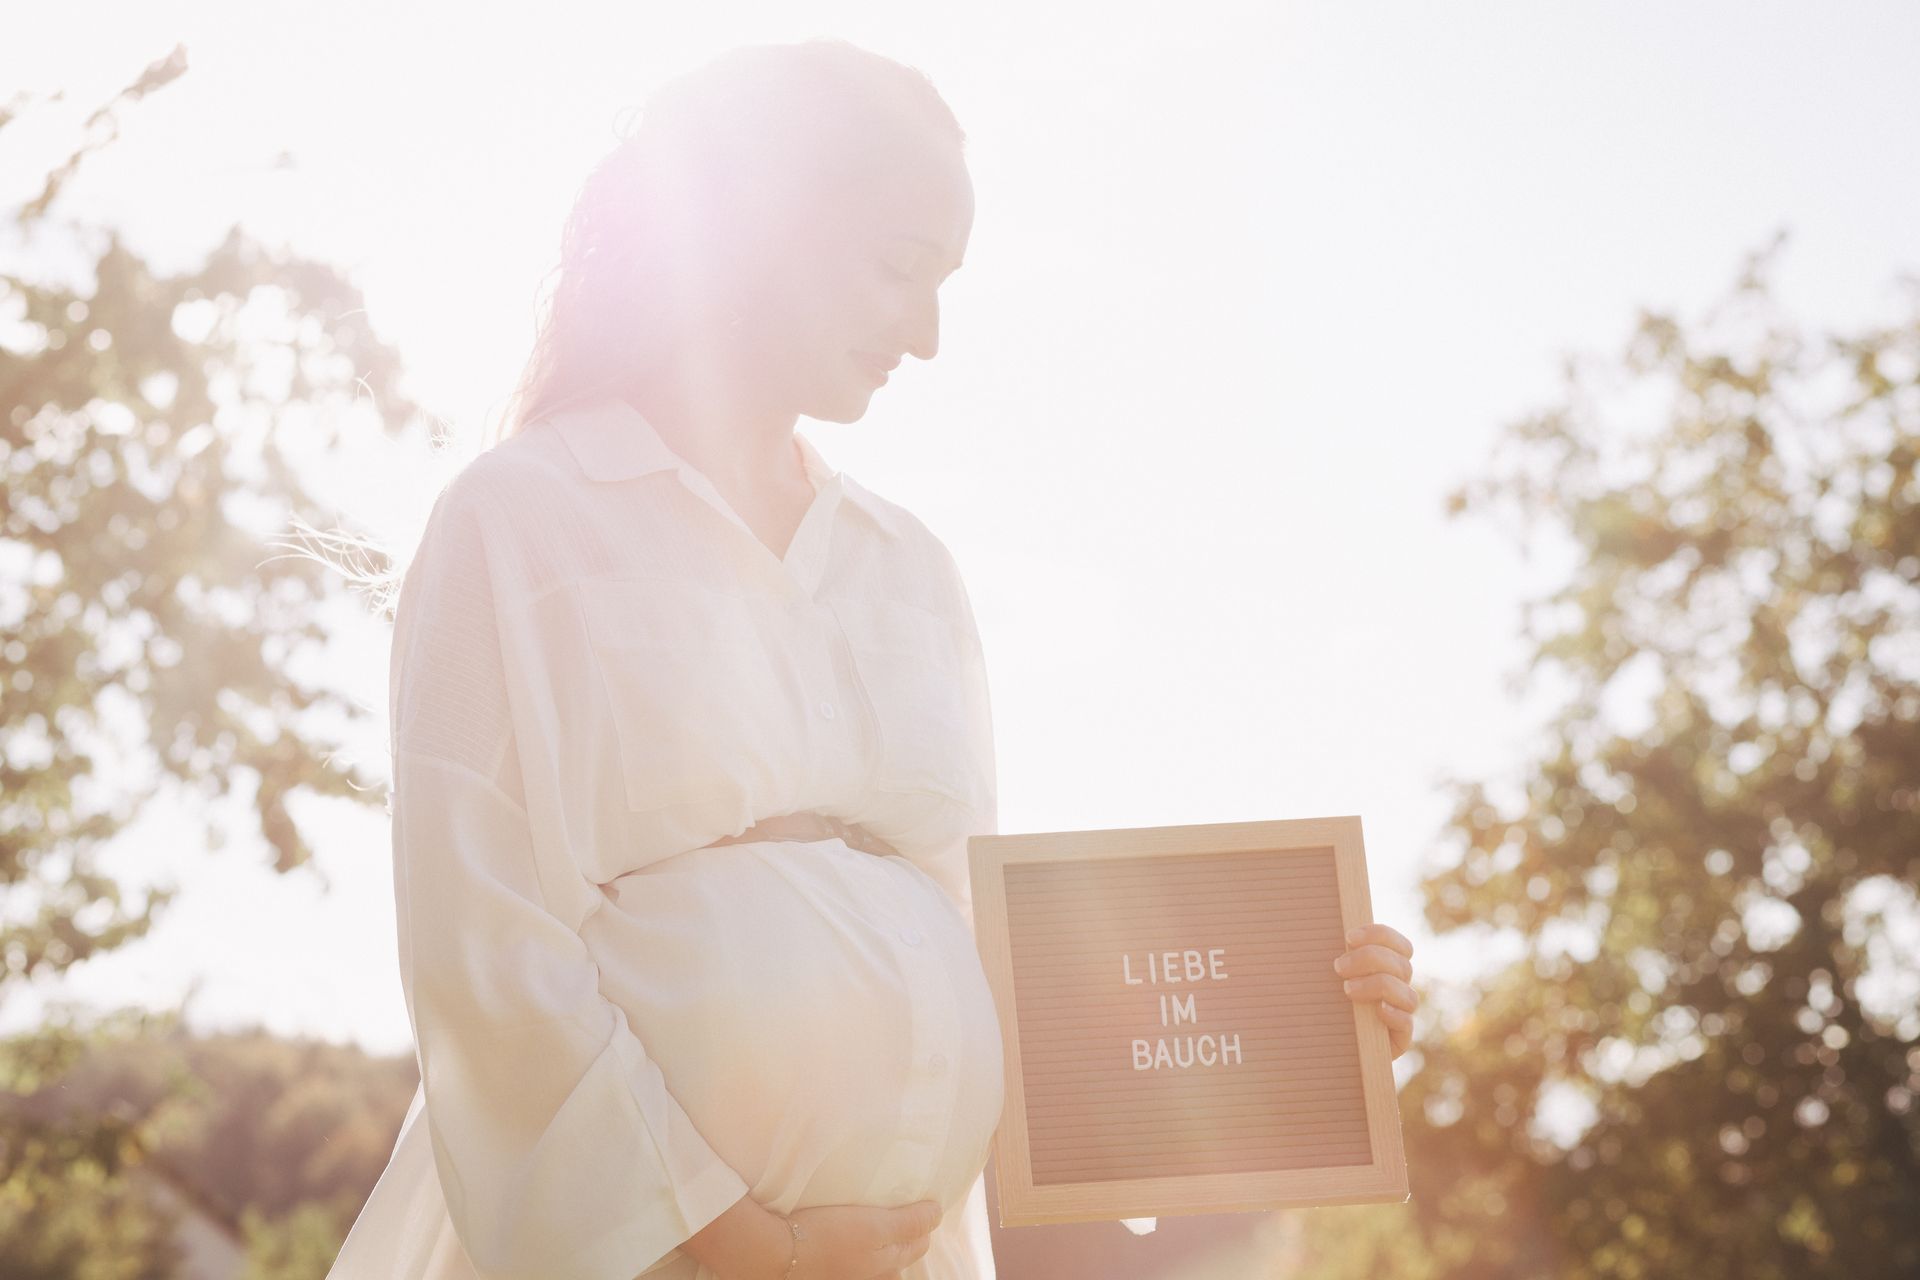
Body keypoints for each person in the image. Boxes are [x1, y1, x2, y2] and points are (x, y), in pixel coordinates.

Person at [325, 38, 1419, 1280]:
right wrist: (734, 1244)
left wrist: (1292, 1044)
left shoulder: (910, 566)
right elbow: (488, 955)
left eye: (947, 281)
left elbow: (974, 968)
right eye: (901, 268)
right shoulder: (520, 518)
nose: (931, 334)